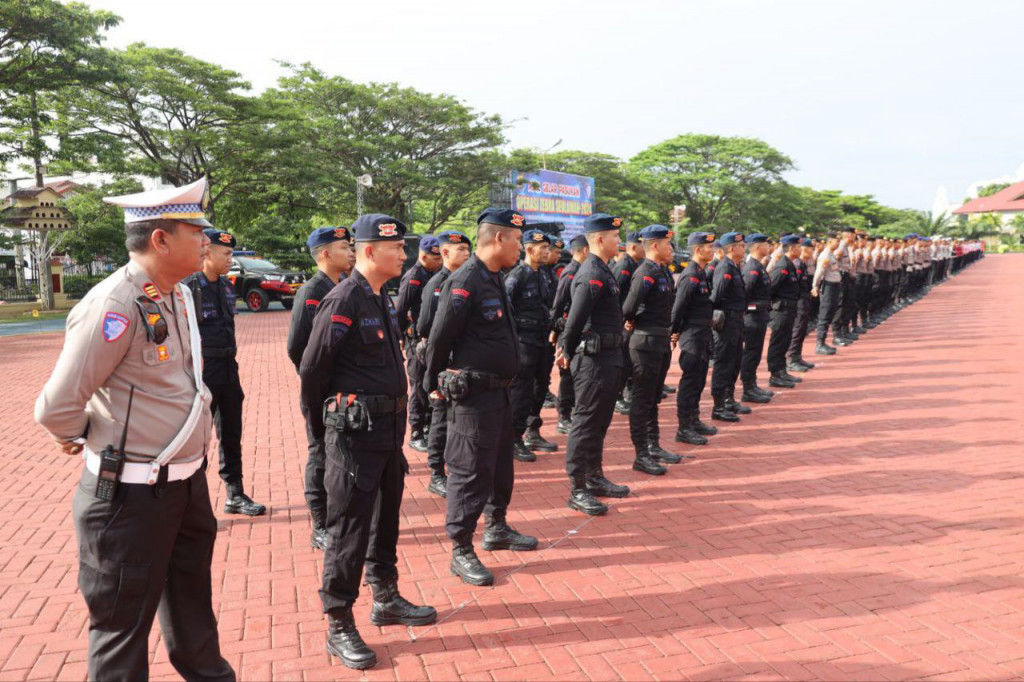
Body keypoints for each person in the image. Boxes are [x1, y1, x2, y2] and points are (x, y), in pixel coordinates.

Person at [35, 177, 235, 681]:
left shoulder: (179, 295)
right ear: (161, 239)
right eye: (197, 230)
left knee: (193, 614)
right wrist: (85, 432)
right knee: (122, 631)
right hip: (128, 498)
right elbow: (56, 406)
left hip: (186, 487)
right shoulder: (114, 304)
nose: (207, 240)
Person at [299, 214, 436, 670]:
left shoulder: (379, 297)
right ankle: (338, 621)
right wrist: (324, 436)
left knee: (385, 523)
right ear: (370, 251)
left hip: (386, 437)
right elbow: (312, 372)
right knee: (348, 532)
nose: (404, 254)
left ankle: (386, 597)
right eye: (396, 247)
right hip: (354, 440)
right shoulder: (343, 300)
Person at [423, 208, 538, 588]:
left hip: (499, 395)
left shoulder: (494, 278)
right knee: (470, 471)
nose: (521, 247)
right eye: (518, 240)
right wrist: (433, 384)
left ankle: (498, 527)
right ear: (500, 239)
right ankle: (461, 548)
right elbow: (439, 338)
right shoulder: (467, 280)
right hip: (473, 396)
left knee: (500, 468)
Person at [185, 229, 267, 517]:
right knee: (198, 441)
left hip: (229, 371)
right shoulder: (187, 288)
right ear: (207, 252)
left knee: (231, 435)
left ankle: (235, 494)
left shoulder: (227, 287)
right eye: (227, 253)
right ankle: (195, 506)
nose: (231, 259)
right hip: (203, 374)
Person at [558, 213, 630, 516]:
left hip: (609, 357)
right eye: (614, 236)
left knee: (600, 421)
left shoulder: (604, 269)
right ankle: (578, 488)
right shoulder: (591, 273)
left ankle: (594, 476)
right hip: (593, 361)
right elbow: (574, 321)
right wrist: (565, 348)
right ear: (599, 239)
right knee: (585, 422)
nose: (619, 241)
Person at [287, 226, 354, 550]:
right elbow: (297, 346)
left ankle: (337, 514)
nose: (350, 251)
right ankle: (319, 523)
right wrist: (315, 381)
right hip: (320, 389)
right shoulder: (312, 291)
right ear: (325, 253)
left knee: (335, 451)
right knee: (319, 452)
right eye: (344, 247)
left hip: (341, 390)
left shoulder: (341, 286)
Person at [621, 225, 683, 475]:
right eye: (668, 244)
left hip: (660, 342)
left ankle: (653, 445)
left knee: (654, 398)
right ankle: (641, 454)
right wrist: (633, 320)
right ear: (655, 246)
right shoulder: (645, 272)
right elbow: (628, 308)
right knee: (642, 398)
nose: (672, 249)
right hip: (644, 343)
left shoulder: (664, 272)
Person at [416, 229, 472, 499]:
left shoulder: (467, 280)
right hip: (442, 359)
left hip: (463, 360)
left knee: (457, 418)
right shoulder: (437, 283)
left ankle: (456, 465)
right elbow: (425, 324)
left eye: (467, 249)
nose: (466, 253)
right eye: (460, 249)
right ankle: (436, 473)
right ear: (446, 252)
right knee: (439, 417)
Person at [507, 229, 559, 460]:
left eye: (548, 248)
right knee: (522, 390)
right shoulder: (517, 276)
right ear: (529, 249)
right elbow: (507, 311)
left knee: (541, 387)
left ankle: (533, 431)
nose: (547, 252)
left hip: (542, 339)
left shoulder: (543, 275)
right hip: (524, 341)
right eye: (543, 248)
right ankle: (513, 438)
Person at [671, 231, 718, 445]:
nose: (713, 250)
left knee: (699, 379)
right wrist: (673, 332)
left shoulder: (701, 272)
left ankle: (694, 419)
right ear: (698, 250)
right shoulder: (690, 275)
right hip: (692, 336)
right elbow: (679, 307)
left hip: (702, 334)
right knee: (690, 381)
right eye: (709, 247)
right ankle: (684, 427)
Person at [396, 236, 442, 452]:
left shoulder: (435, 274)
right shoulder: (413, 276)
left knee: (430, 383)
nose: (439, 260)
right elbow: (400, 310)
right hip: (416, 341)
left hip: (432, 339)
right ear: (423, 256)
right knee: (417, 386)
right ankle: (416, 430)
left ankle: (429, 426)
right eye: (436, 257)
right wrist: (403, 336)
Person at [709, 232, 750, 422]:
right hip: (726, 323)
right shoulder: (725, 267)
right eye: (741, 245)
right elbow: (716, 297)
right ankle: (718, 406)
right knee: (724, 362)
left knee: (735, 361)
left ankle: (729, 398)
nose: (744, 248)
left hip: (736, 321)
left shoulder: (734, 266)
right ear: (732, 248)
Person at [549, 234, 588, 434]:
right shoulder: (570, 271)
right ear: (585, 250)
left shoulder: (582, 270)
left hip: (578, 329)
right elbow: (559, 302)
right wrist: (554, 330)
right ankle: (563, 416)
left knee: (575, 374)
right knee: (566, 375)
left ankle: (570, 411)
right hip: (566, 329)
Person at [739, 233, 776, 402]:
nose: (768, 247)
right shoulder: (752, 268)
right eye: (765, 244)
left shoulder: (758, 265)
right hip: (752, 316)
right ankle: (748, 388)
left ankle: (752, 385)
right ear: (757, 247)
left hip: (759, 315)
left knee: (755, 351)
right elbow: (744, 293)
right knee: (751, 352)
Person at [766, 234, 804, 387]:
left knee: (784, 342)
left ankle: (781, 371)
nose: (800, 249)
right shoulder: (782, 265)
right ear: (792, 248)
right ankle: (775, 374)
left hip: (788, 309)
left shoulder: (789, 263)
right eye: (799, 247)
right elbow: (771, 287)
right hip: (781, 310)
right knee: (778, 342)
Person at [613, 231, 644, 414]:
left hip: (629, 321)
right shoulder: (624, 265)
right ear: (633, 247)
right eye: (642, 245)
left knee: (629, 361)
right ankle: (617, 396)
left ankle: (627, 391)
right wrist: (622, 319)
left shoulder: (634, 264)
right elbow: (614, 296)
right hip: (621, 322)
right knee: (623, 360)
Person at [786, 237, 817, 372]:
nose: (812, 251)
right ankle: (791, 358)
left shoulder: (803, 263)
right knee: (797, 329)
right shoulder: (798, 264)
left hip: (804, 299)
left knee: (802, 329)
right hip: (799, 301)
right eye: (810, 248)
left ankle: (797, 356)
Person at [811, 231, 843, 355]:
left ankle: (823, 342)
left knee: (830, 313)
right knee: (824, 314)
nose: (838, 244)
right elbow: (819, 272)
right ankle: (819, 344)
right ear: (830, 241)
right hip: (828, 287)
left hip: (834, 286)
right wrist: (815, 286)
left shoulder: (831, 255)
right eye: (837, 241)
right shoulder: (825, 256)